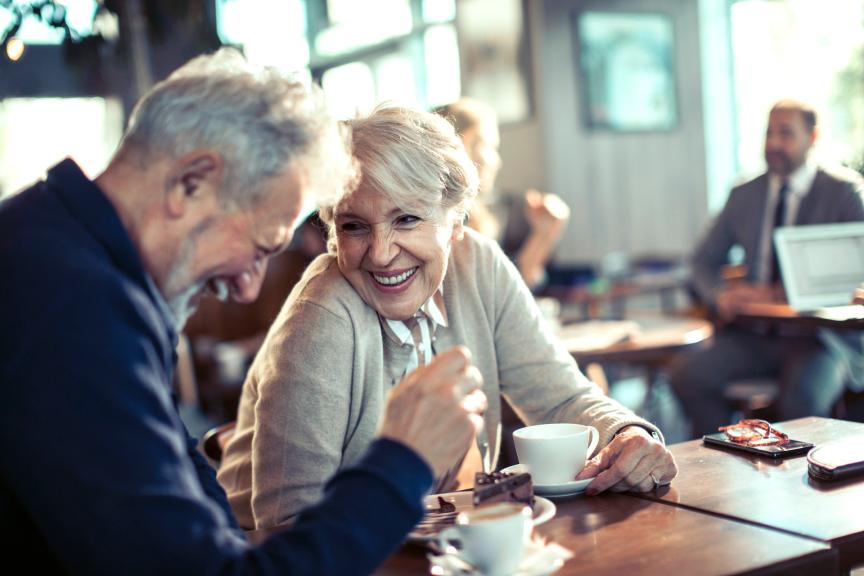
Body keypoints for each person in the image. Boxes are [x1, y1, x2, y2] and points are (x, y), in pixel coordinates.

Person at [0, 49, 488, 576]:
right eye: (260, 247)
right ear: (192, 183)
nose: (248, 289)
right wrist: (403, 460)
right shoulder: (72, 310)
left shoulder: (63, 252)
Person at [218, 105, 677, 529]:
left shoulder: (479, 265)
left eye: (406, 220)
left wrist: (628, 433)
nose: (380, 255)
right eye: (354, 226)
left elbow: (558, 396)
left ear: (456, 221)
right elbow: (288, 523)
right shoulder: (321, 315)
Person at [670, 99, 864, 437]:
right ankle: (724, 462)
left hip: (820, 338)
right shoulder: (745, 193)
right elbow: (701, 261)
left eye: (786, 134)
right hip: (755, 335)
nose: (773, 144)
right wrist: (719, 294)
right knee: (689, 375)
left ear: (813, 137)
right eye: (769, 133)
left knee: (800, 401)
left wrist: (778, 293)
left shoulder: (844, 192)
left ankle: (806, 482)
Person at [438, 98, 570, 290]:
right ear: (459, 146)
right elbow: (494, 296)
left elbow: (506, 295)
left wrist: (544, 233)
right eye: (488, 146)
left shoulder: (479, 218)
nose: (496, 161)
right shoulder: (448, 223)